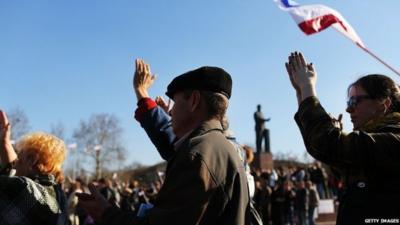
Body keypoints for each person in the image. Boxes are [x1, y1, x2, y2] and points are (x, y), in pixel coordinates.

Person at [78, 59, 250, 225]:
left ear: (194, 100)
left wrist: (106, 214)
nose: (171, 111)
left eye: (175, 103)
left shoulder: (197, 155)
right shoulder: (224, 147)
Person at [285, 51, 400, 224]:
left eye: (354, 101)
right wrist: (301, 92)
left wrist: (308, 87)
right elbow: (324, 150)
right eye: (348, 103)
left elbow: (328, 143)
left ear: (383, 104)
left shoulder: (394, 139)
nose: (348, 110)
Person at [0, 110, 68, 225]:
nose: (15, 165)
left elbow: (16, 183)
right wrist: (4, 142)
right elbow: (12, 168)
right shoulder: (57, 193)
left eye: (20, 160)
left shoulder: (23, 188)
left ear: (32, 160)